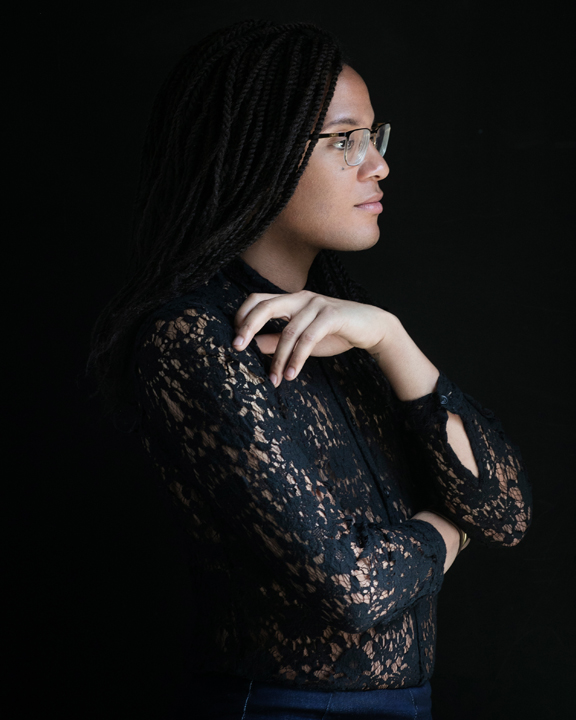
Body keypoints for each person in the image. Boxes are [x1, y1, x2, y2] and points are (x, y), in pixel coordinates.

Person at [88, 19, 532, 720]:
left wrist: (392, 340)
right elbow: (352, 588)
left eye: (374, 138)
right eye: (345, 140)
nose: (378, 165)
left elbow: (505, 513)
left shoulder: (347, 328)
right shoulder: (194, 337)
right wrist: (450, 529)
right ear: (258, 154)